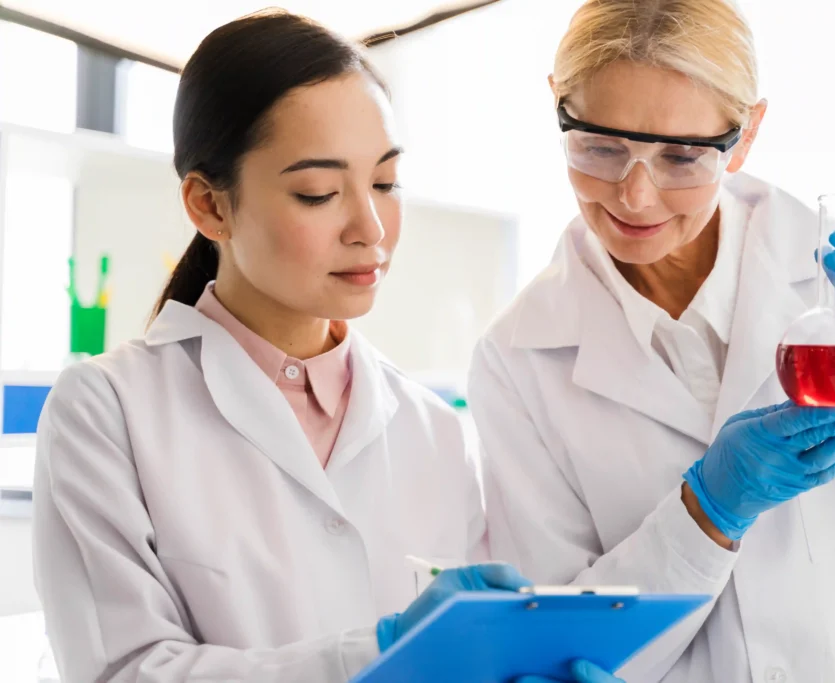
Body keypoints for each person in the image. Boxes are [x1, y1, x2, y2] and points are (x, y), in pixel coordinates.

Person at [467, 1, 835, 681]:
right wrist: (707, 511)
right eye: (601, 146)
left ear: (748, 133)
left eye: (681, 155)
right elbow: (556, 648)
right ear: (556, 103)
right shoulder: (519, 359)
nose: (635, 195)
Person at [29, 11, 559, 683]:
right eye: (318, 192)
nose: (371, 227)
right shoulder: (106, 413)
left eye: (386, 182)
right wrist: (379, 651)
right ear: (209, 205)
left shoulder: (434, 432)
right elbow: (124, 671)